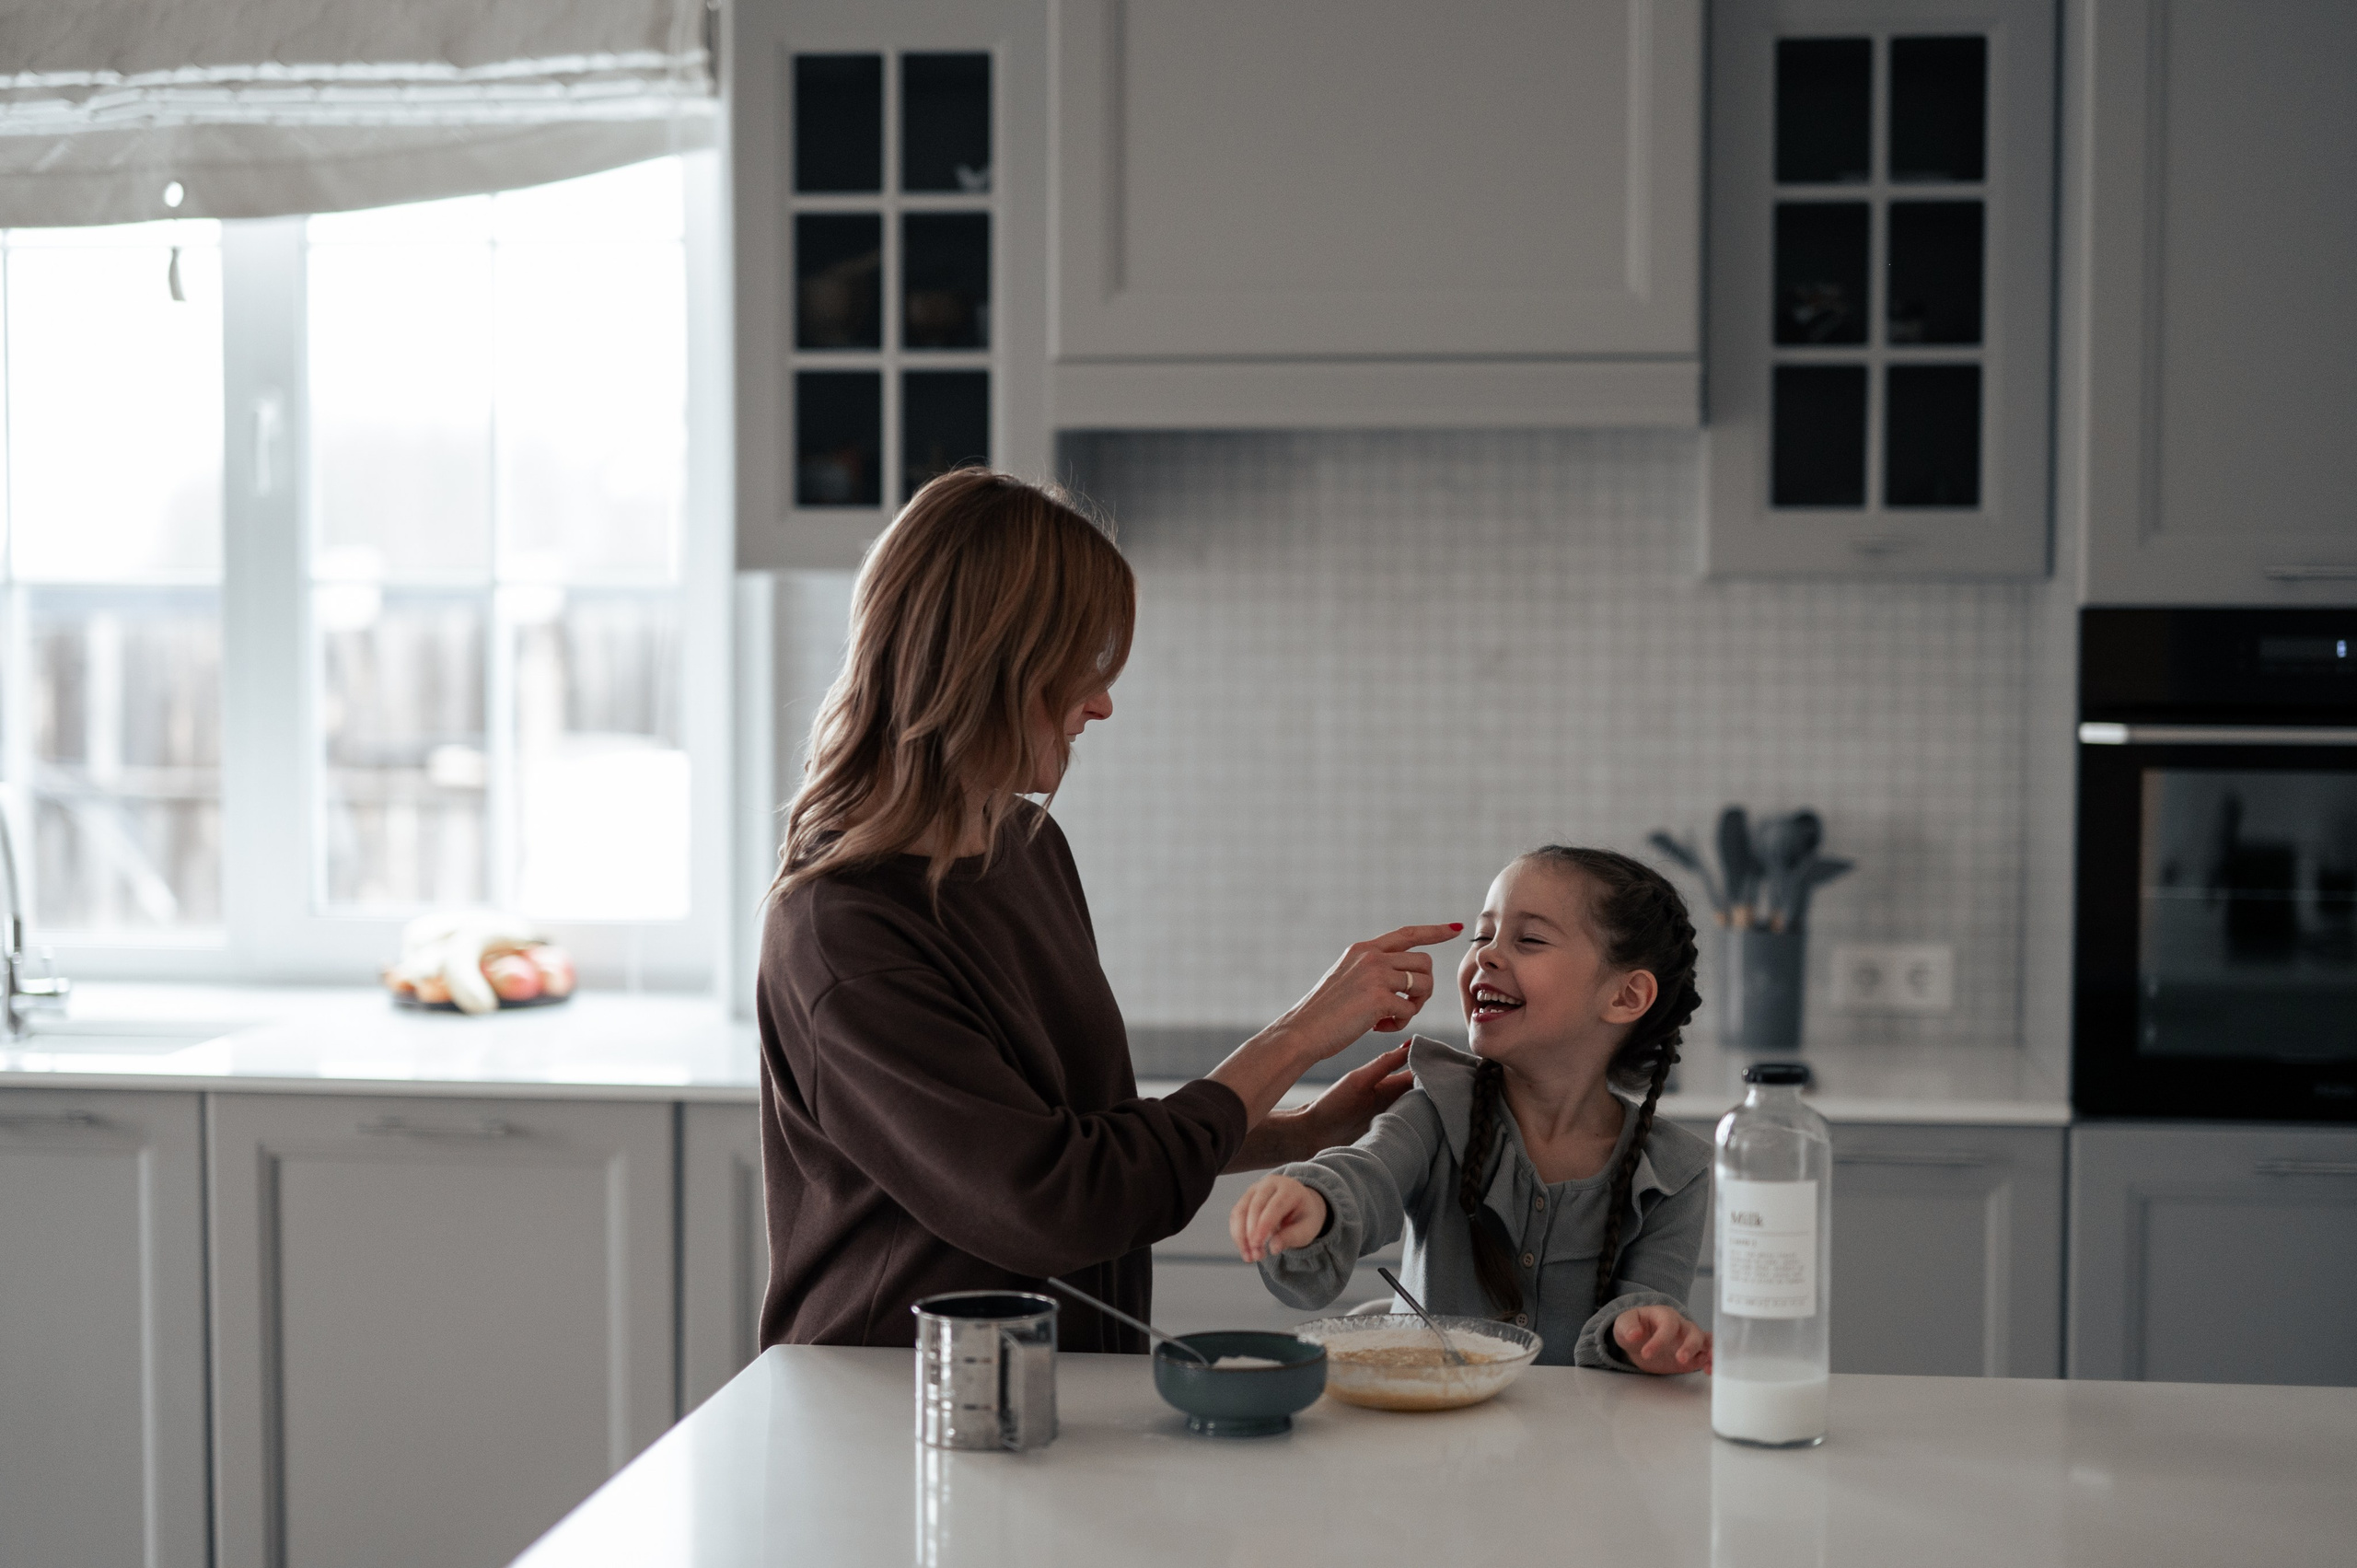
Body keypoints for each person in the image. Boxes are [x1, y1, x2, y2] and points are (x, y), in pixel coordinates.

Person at [756, 468, 1459, 1353]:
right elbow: (1054, 1200)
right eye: (1080, 666)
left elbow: (1088, 1139)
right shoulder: (842, 930)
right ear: (989, 662)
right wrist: (1297, 1036)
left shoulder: (1024, 845)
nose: (1102, 701)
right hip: (896, 1405)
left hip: (1048, 1388)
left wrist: (1299, 1130)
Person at [1228, 846, 1715, 1372]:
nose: (1486, 955)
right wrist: (1315, 1201)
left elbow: (1651, 1306)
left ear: (1625, 996)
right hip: (1431, 1439)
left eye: (1529, 940)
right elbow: (1366, 1173)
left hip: (1586, 1446)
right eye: (1482, 936)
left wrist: (1646, 1331)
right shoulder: (1437, 1110)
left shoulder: (1673, 1173)